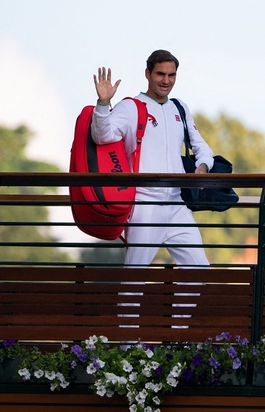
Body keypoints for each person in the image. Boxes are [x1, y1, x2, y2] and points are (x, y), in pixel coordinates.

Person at [91, 50, 215, 267]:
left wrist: (203, 166)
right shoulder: (131, 106)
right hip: (144, 204)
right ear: (147, 73)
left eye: (171, 75)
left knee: (200, 271)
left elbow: (202, 147)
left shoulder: (180, 108)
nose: (166, 81)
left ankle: (179, 304)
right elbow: (101, 136)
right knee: (135, 280)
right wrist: (103, 104)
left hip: (178, 205)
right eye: (160, 74)